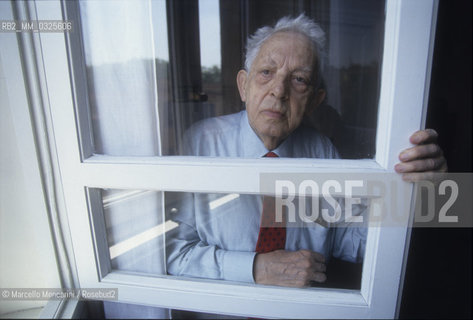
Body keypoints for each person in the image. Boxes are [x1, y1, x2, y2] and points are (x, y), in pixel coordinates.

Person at [166, 14, 447, 288]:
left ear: (315, 100)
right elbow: (172, 254)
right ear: (244, 85)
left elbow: (352, 240)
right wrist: (256, 268)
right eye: (266, 72)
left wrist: (422, 195)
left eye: (299, 79)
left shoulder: (322, 151)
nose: (279, 91)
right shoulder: (201, 142)